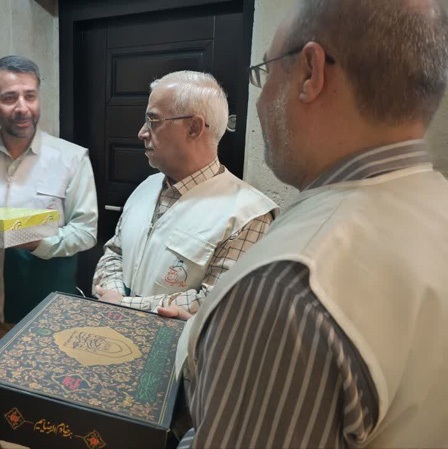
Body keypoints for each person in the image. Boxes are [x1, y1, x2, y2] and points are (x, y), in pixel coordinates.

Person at [179, 0, 448, 447]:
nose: (259, 101)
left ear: (310, 72)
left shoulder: (287, 287)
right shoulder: (434, 202)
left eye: (264, 72)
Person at [0, 55, 97, 449]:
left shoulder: (71, 158)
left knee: (47, 422)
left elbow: (86, 232)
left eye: (30, 96)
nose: (22, 107)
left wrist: (40, 242)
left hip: (47, 316)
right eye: (9, 97)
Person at [92, 71, 277, 318]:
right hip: (116, 325)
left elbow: (216, 300)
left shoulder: (248, 216)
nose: (142, 133)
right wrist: (113, 294)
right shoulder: (146, 187)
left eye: (153, 120)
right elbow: (116, 252)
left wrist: (123, 305)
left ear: (194, 127)